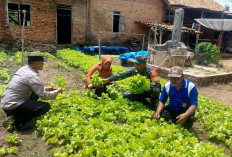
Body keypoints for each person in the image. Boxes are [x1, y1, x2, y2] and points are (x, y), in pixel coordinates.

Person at [1, 53, 63, 130]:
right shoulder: (32, 76)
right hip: (12, 106)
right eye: (42, 62)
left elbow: (34, 87)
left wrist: (46, 88)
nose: (43, 64)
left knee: (36, 93)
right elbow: (45, 96)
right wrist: (57, 91)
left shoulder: (24, 69)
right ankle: (16, 121)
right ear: (36, 63)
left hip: (6, 103)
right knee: (45, 107)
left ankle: (16, 115)